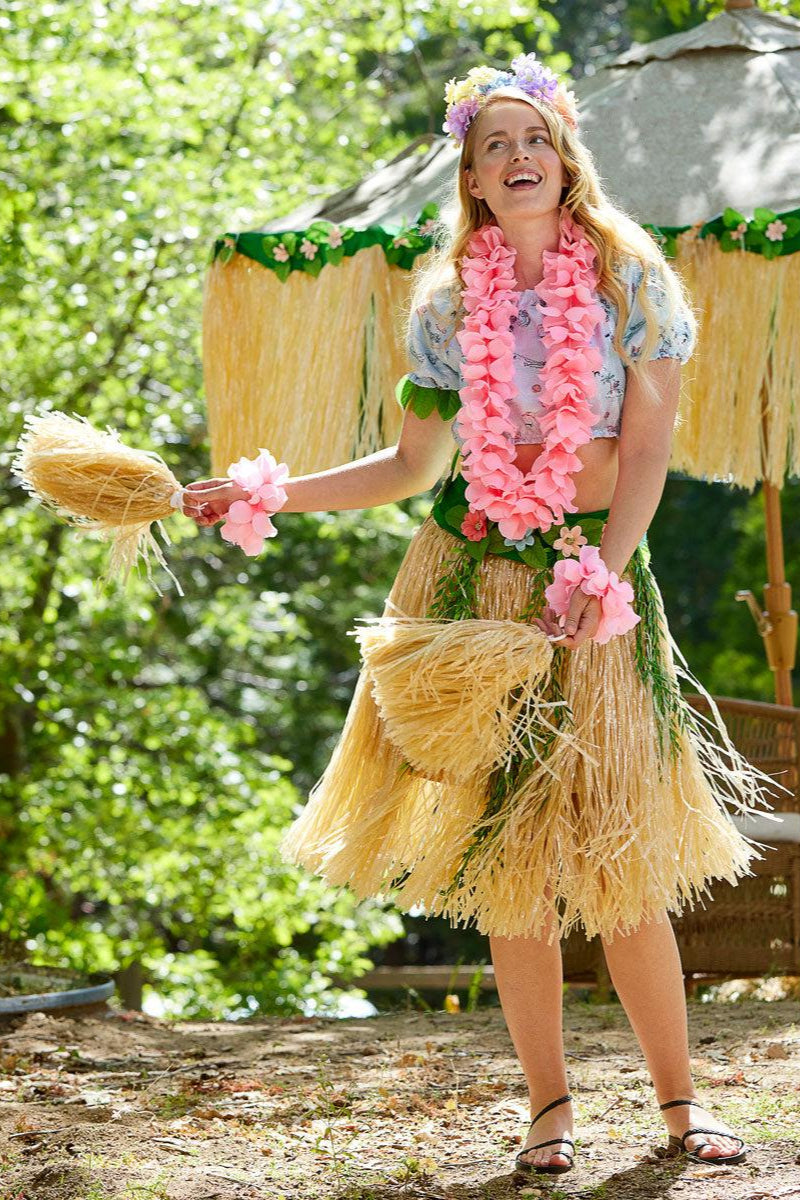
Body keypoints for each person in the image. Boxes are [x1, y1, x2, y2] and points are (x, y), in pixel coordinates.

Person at [183, 54, 777, 1176]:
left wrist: (602, 573)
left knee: (621, 852)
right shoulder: (446, 303)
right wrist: (267, 492)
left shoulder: (630, 280)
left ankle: (678, 1107)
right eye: (491, 145)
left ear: (564, 161)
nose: (515, 158)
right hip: (467, 580)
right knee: (512, 861)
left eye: (533, 139)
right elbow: (411, 465)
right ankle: (547, 1108)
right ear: (468, 178)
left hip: (589, 579)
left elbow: (646, 449)